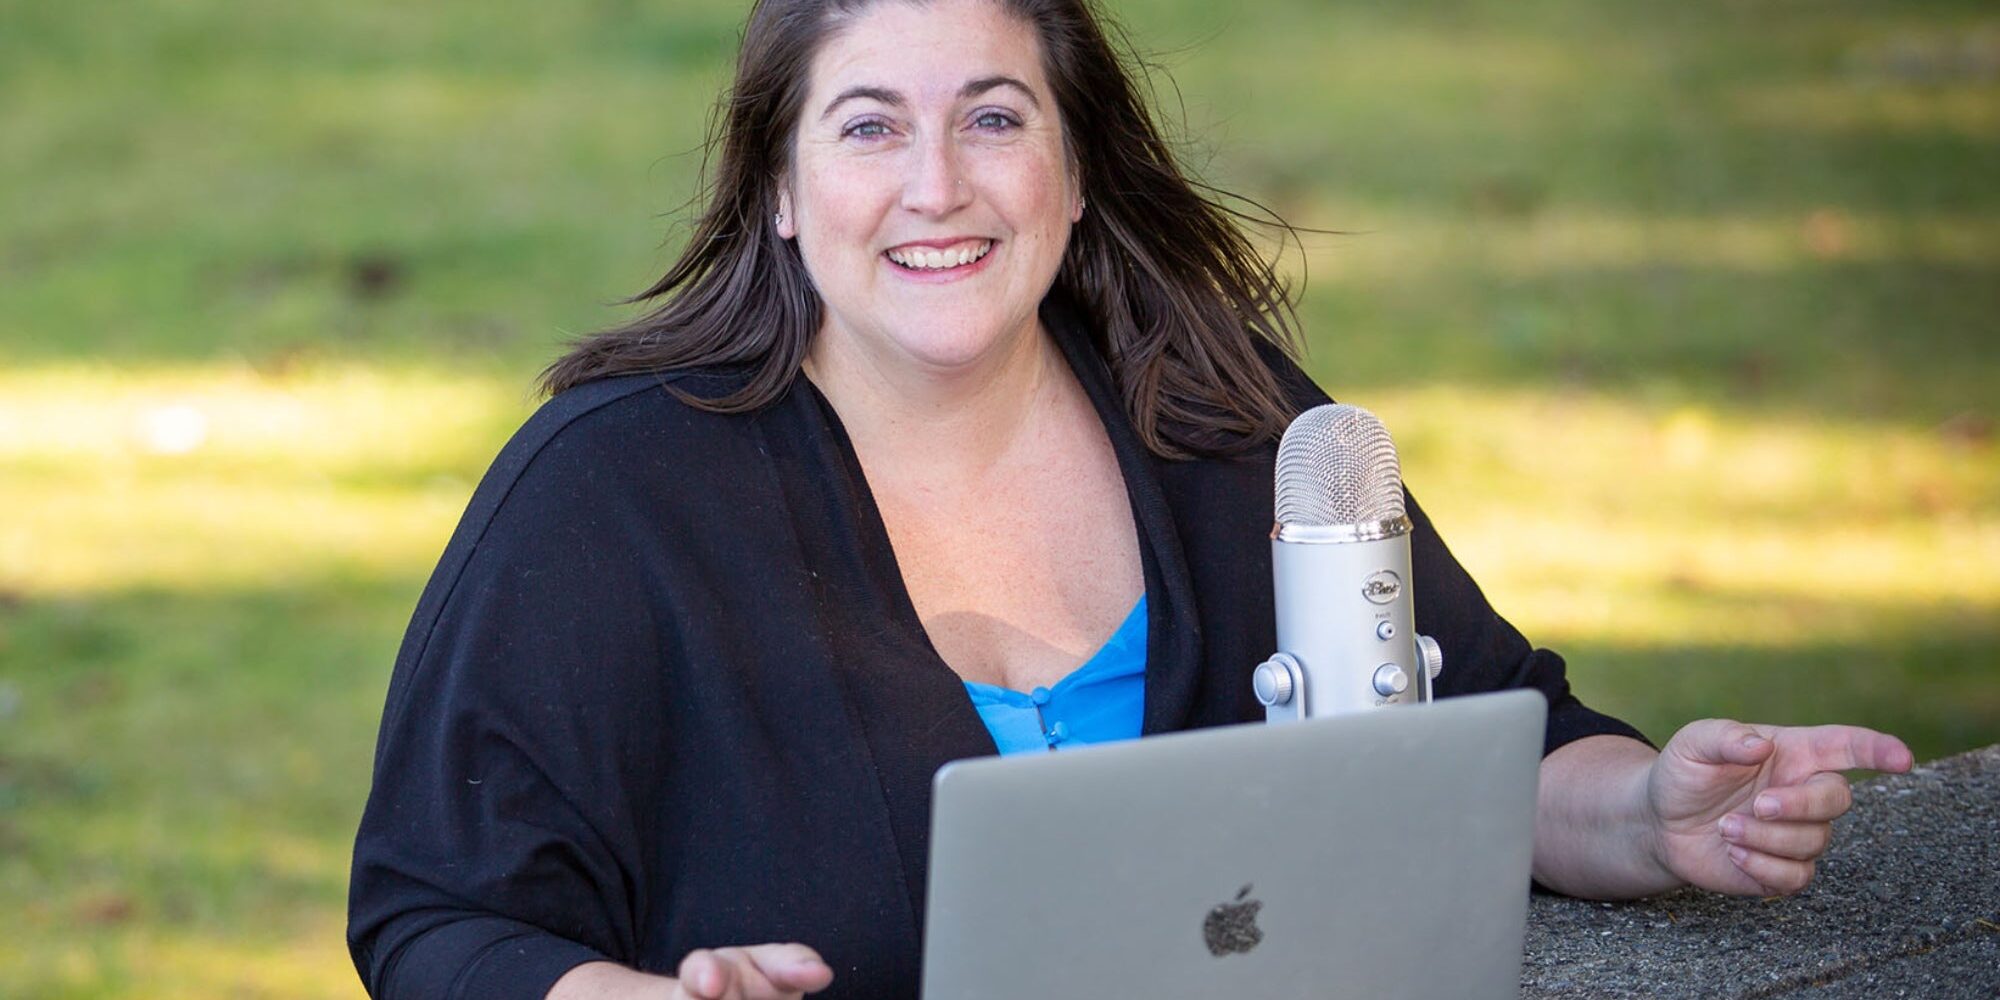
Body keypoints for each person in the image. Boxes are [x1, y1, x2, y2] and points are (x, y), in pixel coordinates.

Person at [346, 0, 1915, 997]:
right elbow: (440, 919)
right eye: (870, 125)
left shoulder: (1220, 416)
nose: (938, 185)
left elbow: (1484, 744)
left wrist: (1649, 817)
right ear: (780, 190)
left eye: (995, 116)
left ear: (1077, 168)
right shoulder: (609, 495)